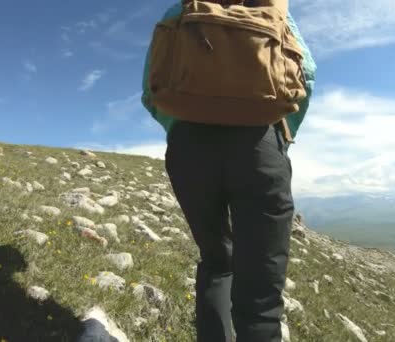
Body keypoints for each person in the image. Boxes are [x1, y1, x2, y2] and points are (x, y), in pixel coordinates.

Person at [141, 1, 316, 341]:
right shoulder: (273, 8)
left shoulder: (182, 9)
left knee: (217, 262)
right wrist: (282, 133)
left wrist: (179, 127)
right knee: (262, 299)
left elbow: (152, 87)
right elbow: (305, 73)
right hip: (259, 144)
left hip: (189, 148)